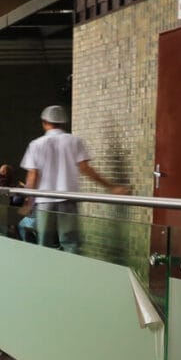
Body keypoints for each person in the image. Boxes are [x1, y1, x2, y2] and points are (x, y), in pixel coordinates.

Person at [20, 105, 128, 254]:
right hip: (68, 199)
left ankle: (45, 274)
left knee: (44, 244)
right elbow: (85, 169)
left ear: (44, 122)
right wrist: (111, 187)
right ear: (63, 122)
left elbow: (32, 176)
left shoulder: (36, 144)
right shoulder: (74, 141)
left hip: (44, 201)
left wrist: (28, 202)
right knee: (70, 243)